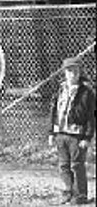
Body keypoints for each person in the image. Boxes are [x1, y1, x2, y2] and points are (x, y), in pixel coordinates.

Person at [48, 55, 95, 205]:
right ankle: (68, 191)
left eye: (75, 71)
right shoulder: (60, 89)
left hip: (76, 135)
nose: (72, 74)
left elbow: (91, 117)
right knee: (63, 165)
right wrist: (51, 132)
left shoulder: (87, 92)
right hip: (61, 133)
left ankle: (80, 195)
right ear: (64, 72)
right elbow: (53, 111)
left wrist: (87, 137)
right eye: (69, 71)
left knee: (77, 165)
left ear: (80, 72)